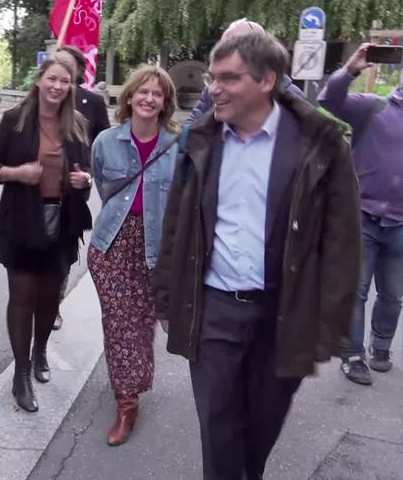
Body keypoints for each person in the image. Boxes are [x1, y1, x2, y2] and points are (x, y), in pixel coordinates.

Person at [154, 32, 361, 480]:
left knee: (260, 432)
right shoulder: (200, 141)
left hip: (283, 313)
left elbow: (343, 238)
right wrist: (166, 296)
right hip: (214, 311)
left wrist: (333, 319)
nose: (215, 88)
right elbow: (176, 223)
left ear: (268, 80)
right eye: (213, 78)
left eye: (229, 78)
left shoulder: (320, 143)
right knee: (219, 432)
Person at [0, 51, 93, 413]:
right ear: (39, 80)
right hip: (21, 220)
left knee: (49, 299)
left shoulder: (76, 123)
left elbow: (86, 173)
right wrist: (17, 174)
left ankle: (41, 350)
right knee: (22, 298)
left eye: (66, 81)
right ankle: (21, 373)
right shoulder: (16, 120)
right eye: (53, 79)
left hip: (62, 222)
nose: (58, 86)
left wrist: (84, 180)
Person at [88, 65, 180, 445]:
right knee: (119, 321)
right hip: (111, 244)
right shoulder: (106, 142)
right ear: (129, 97)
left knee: (141, 323)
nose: (148, 98)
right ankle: (126, 402)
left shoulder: (178, 144)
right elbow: (102, 185)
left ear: (165, 103)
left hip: (155, 246)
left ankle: (133, 379)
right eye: (142, 91)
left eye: (157, 94)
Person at [319, 43, 403, 385]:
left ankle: (380, 348)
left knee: (393, 294)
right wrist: (351, 68)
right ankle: (352, 355)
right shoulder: (374, 107)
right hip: (363, 216)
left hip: (401, 224)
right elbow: (329, 102)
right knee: (356, 290)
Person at [53, 44, 112, 330]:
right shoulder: (38, 100)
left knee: (64, 250)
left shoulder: (92, 102)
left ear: (78, 71)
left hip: (76, 188)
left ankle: (54, 304)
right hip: (39, 190)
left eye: (66, 65)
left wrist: (90, 175)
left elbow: (104, 143)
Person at [187, 18, 305, 125]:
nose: (214, 89)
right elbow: (192, 127)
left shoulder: (291, 96)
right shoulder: (212, 90)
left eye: (233, 46)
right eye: (222, 46)